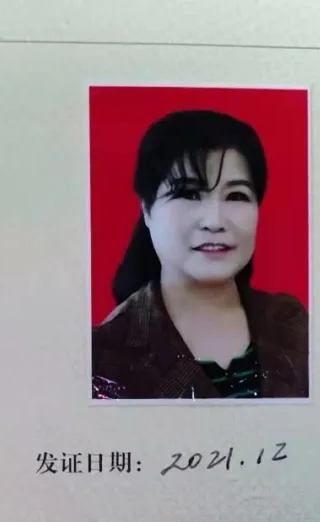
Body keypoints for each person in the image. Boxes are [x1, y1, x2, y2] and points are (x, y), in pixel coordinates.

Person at [91, 109, 309, 400]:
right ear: (147, 210)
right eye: (189, 194)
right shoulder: (103, 356)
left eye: (236, 196)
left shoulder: (293, 324)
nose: (215, 221)